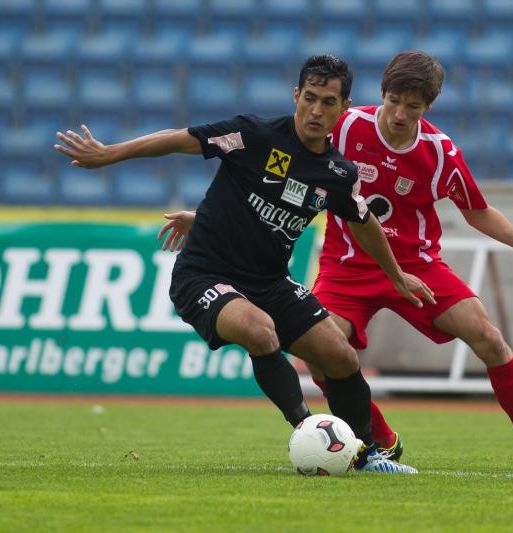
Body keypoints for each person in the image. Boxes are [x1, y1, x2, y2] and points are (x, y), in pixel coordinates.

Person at [158, 51, 513, 473]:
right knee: (328, 356)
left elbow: (476, 210)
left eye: (412, 106)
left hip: (416, 265)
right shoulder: (343, 124)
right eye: (393, 101)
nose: (399, 113)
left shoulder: (440, 152)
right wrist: (208, 219)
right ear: (381, 94)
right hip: (347, 266)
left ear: (427, 107)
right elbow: (280, 171)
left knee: (488, 338)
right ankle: (378, 441)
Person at [54, 54, 436, 474]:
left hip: (270, 281)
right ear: (296, 96)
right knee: (258, 329)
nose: (316, 110)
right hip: (204, 275)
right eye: (310, 98)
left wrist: (396, 274)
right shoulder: (252, 135)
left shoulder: (337, 174)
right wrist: (110, 154)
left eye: (329, 102)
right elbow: (180, 138)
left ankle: (367, 455)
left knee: (340, 357)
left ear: (344, 109)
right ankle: (309, 432)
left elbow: (363, 223)